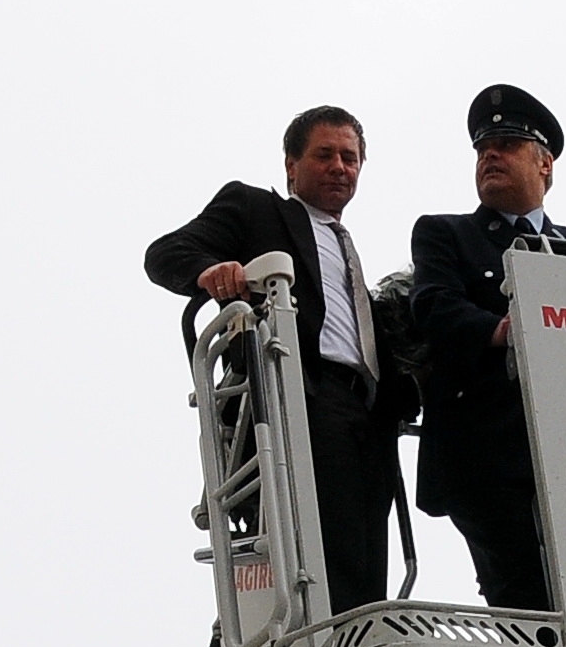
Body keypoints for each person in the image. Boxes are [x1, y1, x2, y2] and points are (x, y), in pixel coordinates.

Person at [147, 105, 409, 610]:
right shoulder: (254, 209)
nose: (339, 167)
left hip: (368, 415)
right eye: (325, 155)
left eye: (350, 158)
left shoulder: (346, 250)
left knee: (364, 562)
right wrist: (212, 271)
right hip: (300, 394)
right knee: (320, 557)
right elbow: (164, 253)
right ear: (291, 165)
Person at [404, 83, 566, 611]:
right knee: (521, 591)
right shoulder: (444, 235)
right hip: (485, 450)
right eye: (482, 149)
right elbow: (432, 306)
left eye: (505, 145)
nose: (489, 156)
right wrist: (502, 330)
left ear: (544, 164)